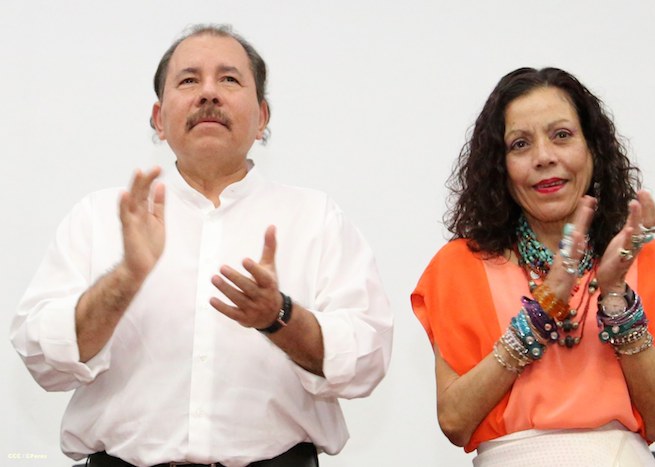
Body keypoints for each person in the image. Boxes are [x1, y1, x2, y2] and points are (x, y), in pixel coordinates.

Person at [10, 24, 392, 467]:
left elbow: (366, 359)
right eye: (189, 80)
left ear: (262, 117)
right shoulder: (98, 216)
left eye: (229, 79)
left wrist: (279, 316)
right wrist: (126, 279)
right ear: (158, 119)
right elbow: (42, 358)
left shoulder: (316, 218)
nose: (208, 93)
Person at [411, 67, 655, 466]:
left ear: (593, 149)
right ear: (500, 166)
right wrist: (540, 313)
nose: (544, 157)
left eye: (562, 135)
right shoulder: (459, 267)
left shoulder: (649, 260)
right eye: (520, 144)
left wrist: (615, 298)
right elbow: (456, 422)